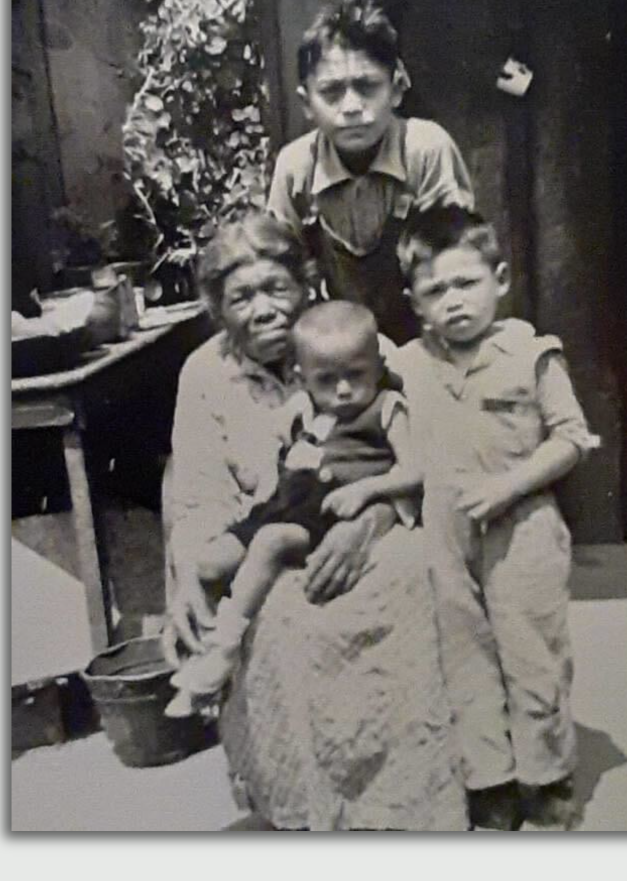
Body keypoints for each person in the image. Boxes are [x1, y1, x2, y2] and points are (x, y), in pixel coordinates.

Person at [161, 214, 466, 831]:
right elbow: (197, 494)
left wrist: (375, 517)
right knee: (276, 610)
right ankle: (306, 804)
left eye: (277, 288)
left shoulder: (358, 343)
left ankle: (402, 800)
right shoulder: (205, 374)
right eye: (241, 298)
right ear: (217, 310)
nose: (264, 310)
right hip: (269, 536)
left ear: (305, 284)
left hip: (375, 519)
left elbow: (429, 457)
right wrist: (186, 576)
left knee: (408, 582)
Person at [390, 205, 602, 831]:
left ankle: (546, 774)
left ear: (500, 280)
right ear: (414, 303)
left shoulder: (531, 353)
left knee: (533, 654)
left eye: (466, 282)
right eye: (435, 291)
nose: (453, 301)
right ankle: (490, 780)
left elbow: (571, 438)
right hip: (445, 534)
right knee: (464, 656)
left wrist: (510, 486)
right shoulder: (406, 366)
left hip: (523, 528)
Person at [164, 301, 419, 718]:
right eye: (327, 381)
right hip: (285, 504)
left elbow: (415, 471)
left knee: (270, 543)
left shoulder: (386, 407)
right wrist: (291, 428)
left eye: (355, 376)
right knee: (209, 564)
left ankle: (222, 654)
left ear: (376, 367)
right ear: (303, 378)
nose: (342, 390)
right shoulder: (308, 406)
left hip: (330, 514)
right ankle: (201, 659)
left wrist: (368, 490)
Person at [267, 0, 475, 343]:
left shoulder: (424, 149)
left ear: (396, 89)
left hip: (428, 334)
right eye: (331, 92)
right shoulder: (296, 168)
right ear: (306, 103)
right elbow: (279, 273)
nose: (351, 106)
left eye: (366, 87)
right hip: (337, 345)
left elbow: (456, 264)